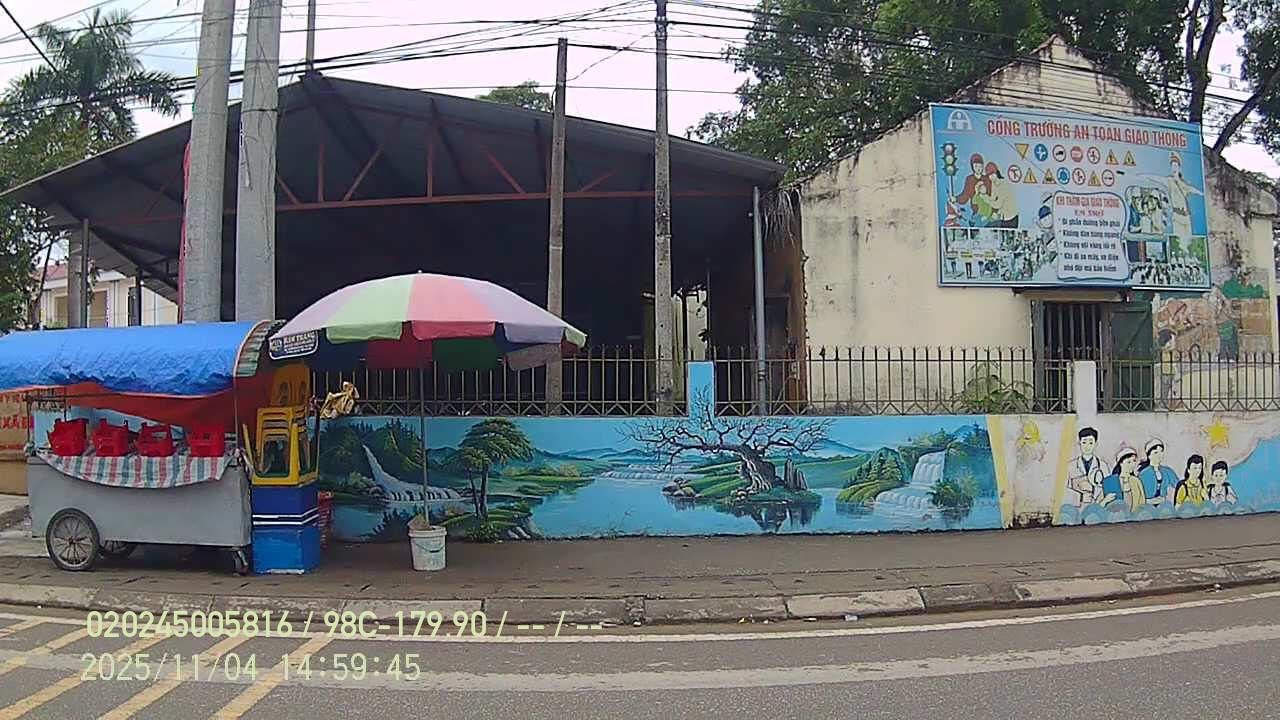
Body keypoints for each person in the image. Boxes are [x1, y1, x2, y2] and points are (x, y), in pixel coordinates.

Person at [1166, 153, 1202, 245]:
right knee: (1179, 242)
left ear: (1179, 167)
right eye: (1172, 165)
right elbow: (1157, 179)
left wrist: (1200, 193)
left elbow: (1191, 189)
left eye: (1175, 165)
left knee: (1189, 242)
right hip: (1177, 216)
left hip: (1186, 215)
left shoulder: (1183, 183)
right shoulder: (1169, 180)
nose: (1174, 168)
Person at [1067, 427, 1108, 506]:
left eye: (1091, 443)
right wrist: (1080, 497)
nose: (1087, 446)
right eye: (1084, 442)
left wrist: (1092, 489)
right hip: (1076, 507)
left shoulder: (1103, 466)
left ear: (1096, 444)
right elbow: (1064, 491)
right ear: (1079, 443)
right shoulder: (1070, 466)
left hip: (1097, 507)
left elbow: (1107, 489)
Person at [1102, 447, 1147, 513]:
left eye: (1134, 461)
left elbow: (1142, 502)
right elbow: (1101, 504)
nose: (1132, 464)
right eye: (1129, 462)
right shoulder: (1110, 481)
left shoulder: (1136, 481)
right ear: (1121, 463)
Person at [1136, 438, 1178, 504]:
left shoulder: (1167, 471)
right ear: (1149, 456)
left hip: (1163, 504)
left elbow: (1178, 484)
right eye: (1156, 452)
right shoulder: (1143, 474)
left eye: (1161, 451)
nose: (1159, 455)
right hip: (1147, 504)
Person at [951, 153, 988, 217]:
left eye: (980, 166)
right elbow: (965, 196)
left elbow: (992, 195)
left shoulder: (986, 179)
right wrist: (956, 199)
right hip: (976, 212)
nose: (978, 168)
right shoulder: (969, 179)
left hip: (987, 210)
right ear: (972, 167)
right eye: (976, 166)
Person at [984, 162, 1020, 228]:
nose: (991, 177)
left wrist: (987, 200)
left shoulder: (1004, 184)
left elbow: (998, 204)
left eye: (992, 174)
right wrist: (985, 197)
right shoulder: (994, 183)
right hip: (1004, 217)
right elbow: (993, 197)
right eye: (989, 175)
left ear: (996, 172)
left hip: (1012, 216)